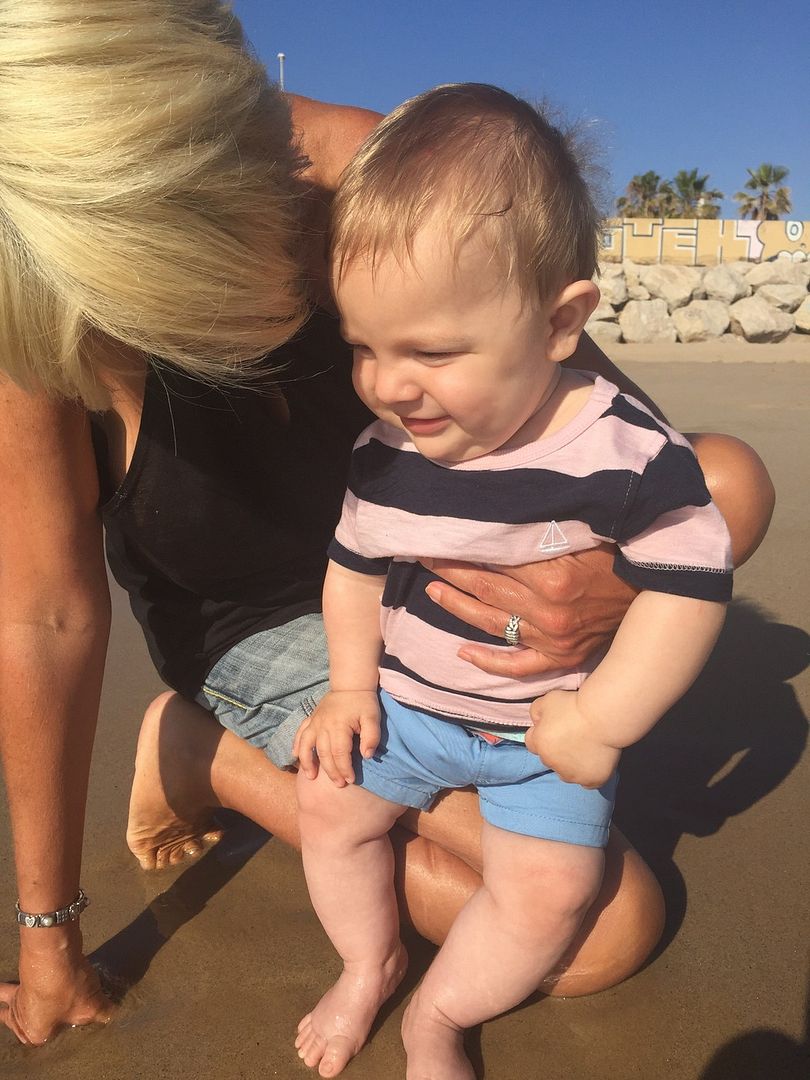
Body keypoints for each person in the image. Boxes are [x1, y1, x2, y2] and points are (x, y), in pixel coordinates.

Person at [0, 0, 774, 1052]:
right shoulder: (37, 286)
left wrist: (611, 586)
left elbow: (627, 441)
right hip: (267, 616)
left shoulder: (399, 181)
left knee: (734, 487)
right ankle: (205, 751)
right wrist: (48, 932)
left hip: (434, 567)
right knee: (603, 931)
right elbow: (43, 614)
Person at [290, 84, 734, 1079]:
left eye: (433, 352)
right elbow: (353, 572)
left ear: (560, 321)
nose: (390, 384)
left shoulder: (623, 449)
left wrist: (605, 721)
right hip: (405, 707)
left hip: (546, 741)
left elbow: (692, 575)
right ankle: (369, 963)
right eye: (364, 347)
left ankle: (438, 1016)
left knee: (553, 896)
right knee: (328, 807)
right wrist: (351, 688)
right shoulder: (386, 452)